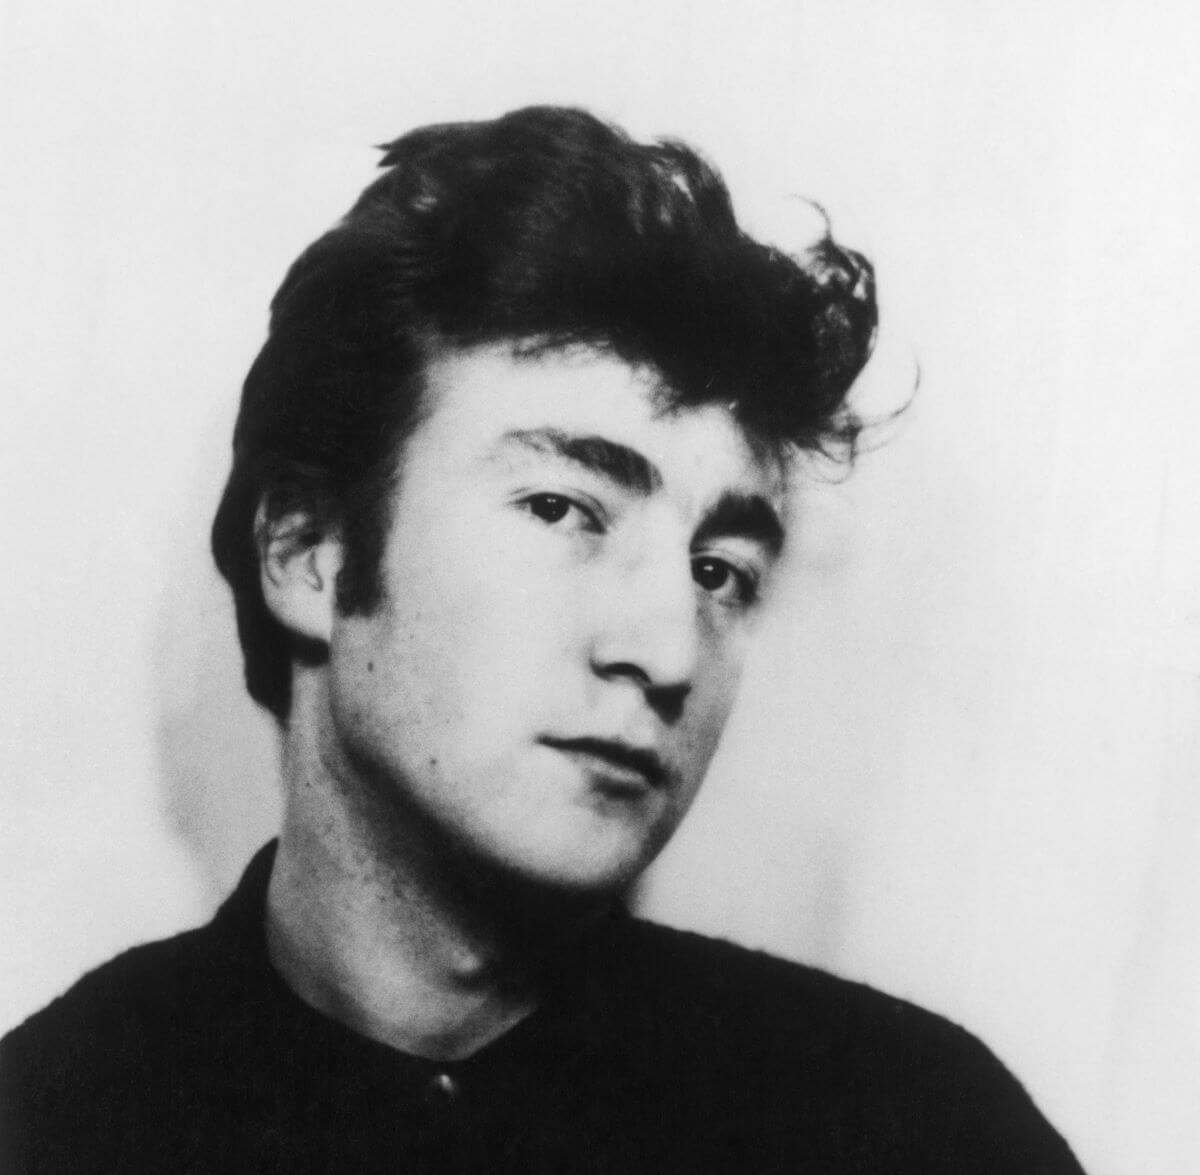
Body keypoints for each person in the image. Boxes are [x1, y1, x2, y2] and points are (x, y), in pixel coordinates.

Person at [0, 106, 1084, 1173]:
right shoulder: (53, 1124)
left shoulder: (920, 1130)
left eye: (719, 571)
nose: (669, 653)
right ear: (309, 552)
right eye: (564, 509)